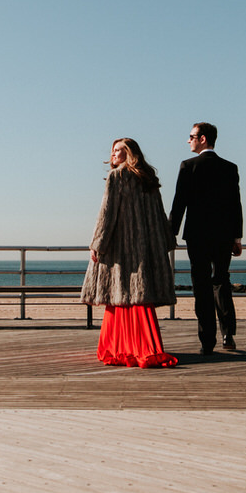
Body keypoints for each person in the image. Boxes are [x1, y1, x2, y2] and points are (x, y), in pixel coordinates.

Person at [81, 138, 179, 368]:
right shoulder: (148, 180)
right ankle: (141, 345)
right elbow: (159, 214)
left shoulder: (117, 177)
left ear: (130, 154)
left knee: (119, 296)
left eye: (118, 151)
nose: (113, 155)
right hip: (146, 247)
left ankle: (118, 346)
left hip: (121, 249)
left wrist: (97, 243)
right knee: (138, 296)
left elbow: (107, 213)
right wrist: (164, 243)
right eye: (113, 150)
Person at [168, 122, 242, 355]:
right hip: (223, 234)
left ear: (203, 139)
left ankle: (207, 340)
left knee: (200, 284)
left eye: (191, 136)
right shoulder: (230, 167)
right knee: (221, 280)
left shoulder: (188, 166)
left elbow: (179, 203)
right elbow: (235, 204)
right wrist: (237, 237)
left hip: (197, 235)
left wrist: (170, 233)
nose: (188, 140)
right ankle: (228, 334)